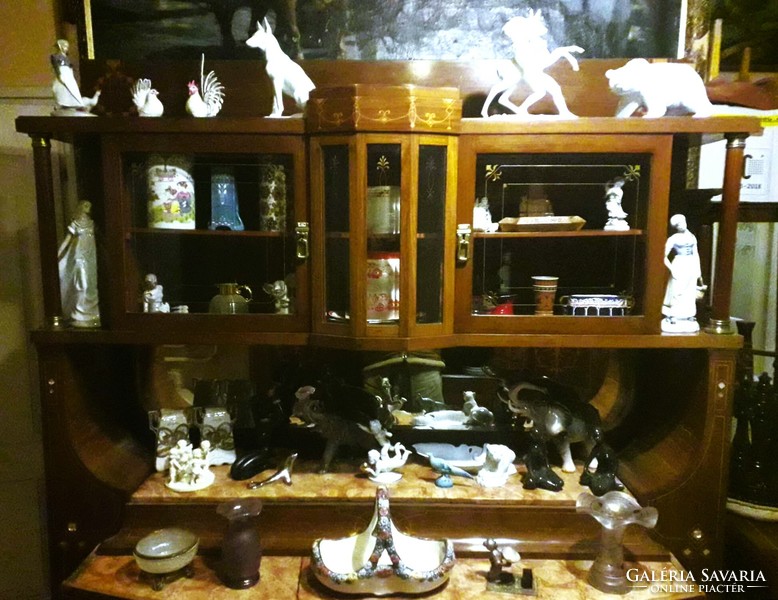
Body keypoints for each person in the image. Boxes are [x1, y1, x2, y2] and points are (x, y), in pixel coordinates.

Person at [57, 201, 100, 327]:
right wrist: (58, 254)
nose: (88, 208)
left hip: (91, 258)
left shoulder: (92, 224)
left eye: (89, 206)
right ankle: (79, 312)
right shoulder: (75, 224)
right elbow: (66, 241)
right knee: (81, 285)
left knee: (91, 285)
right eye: (86, 206)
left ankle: (91, 313)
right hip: (80, 258)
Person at [661, 214, 703, 332]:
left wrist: (698, 271)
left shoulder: (692, 237)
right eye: (677, 225)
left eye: (682, 222)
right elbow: (662, 256)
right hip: (679, 264)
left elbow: (696, 254)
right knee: (677, 291)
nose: (681, 226)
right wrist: (672, 269)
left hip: (691, 264)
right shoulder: (673, 238)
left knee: (689, 291)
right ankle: (674, 314)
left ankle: (688, 314)